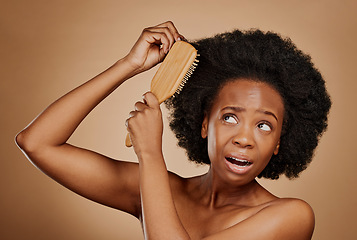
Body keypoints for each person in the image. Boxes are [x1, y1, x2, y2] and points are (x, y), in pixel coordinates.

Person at [15, 21, 331, 239]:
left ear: (279, 143)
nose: (244, 138)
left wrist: (150, 153)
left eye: (264, 125)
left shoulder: (291, 217)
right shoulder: (160, 190)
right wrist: (129, 65)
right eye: (230, 118)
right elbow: (37, 142)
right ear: (205, 123)